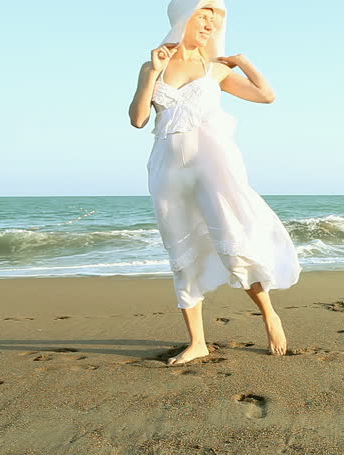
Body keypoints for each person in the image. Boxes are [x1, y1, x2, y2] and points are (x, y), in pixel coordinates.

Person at [128, 0, 302, 364]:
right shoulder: (153, 66)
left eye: (214, 20)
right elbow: (139, 119)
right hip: (168, 171)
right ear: (182, 20)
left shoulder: (217, 68)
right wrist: (151, 75)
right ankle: (198, 342)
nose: (209, 25)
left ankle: (269, 315)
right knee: (181, 254)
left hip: (215, 168)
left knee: (233, 241)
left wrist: (244, 62)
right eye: (202, 17)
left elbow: (266, 96)